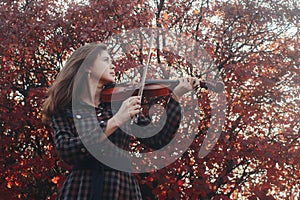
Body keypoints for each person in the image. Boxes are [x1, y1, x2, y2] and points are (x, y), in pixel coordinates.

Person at [42, 42, 199, 199]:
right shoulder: (65, 110)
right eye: (105, 60)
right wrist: (116, 120)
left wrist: (175, 98)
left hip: (121, 187)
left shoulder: (119, 104)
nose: (112, 66)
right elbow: (67, 150)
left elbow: (158, 139)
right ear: (87, 66)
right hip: (83, 187)